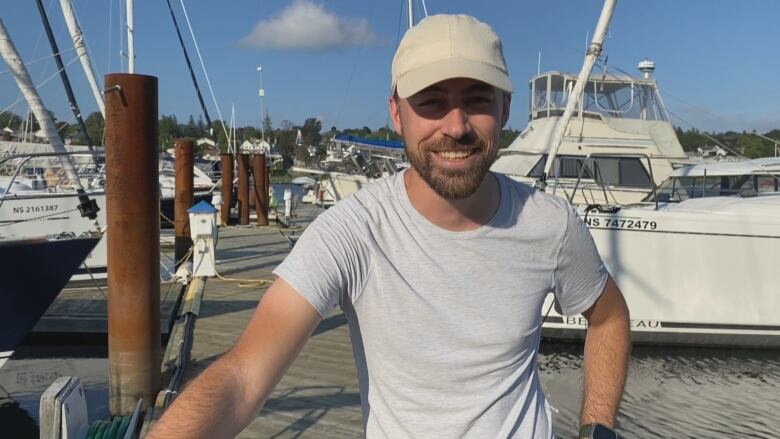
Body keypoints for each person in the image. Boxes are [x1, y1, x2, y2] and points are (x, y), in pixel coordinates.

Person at [148, 14, 630, 439]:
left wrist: (598, 428)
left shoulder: (549, 224)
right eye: (432, 102)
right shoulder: (352, 234)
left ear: (505, 108)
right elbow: (242, 378)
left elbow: (607, 317)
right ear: (397, 114)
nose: (456, 125)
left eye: (477, 100)